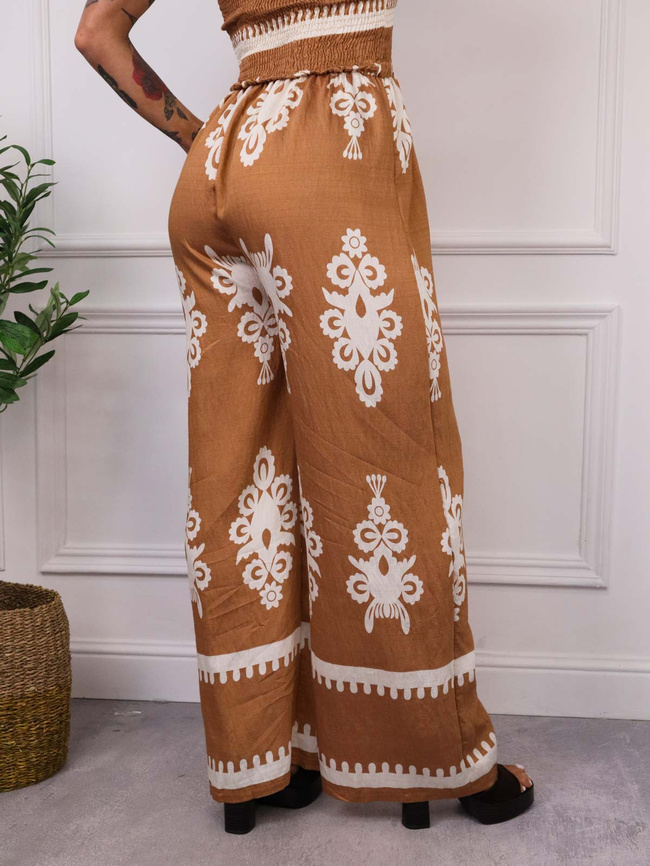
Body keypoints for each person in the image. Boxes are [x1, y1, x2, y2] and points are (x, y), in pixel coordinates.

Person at [74, 0, 534, 834]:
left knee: (239, 467)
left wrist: (211, 142)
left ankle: (264, 760)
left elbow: (96, 32)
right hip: (333, 152)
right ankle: (432, 755)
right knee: (394, 459)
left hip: (221, 164)